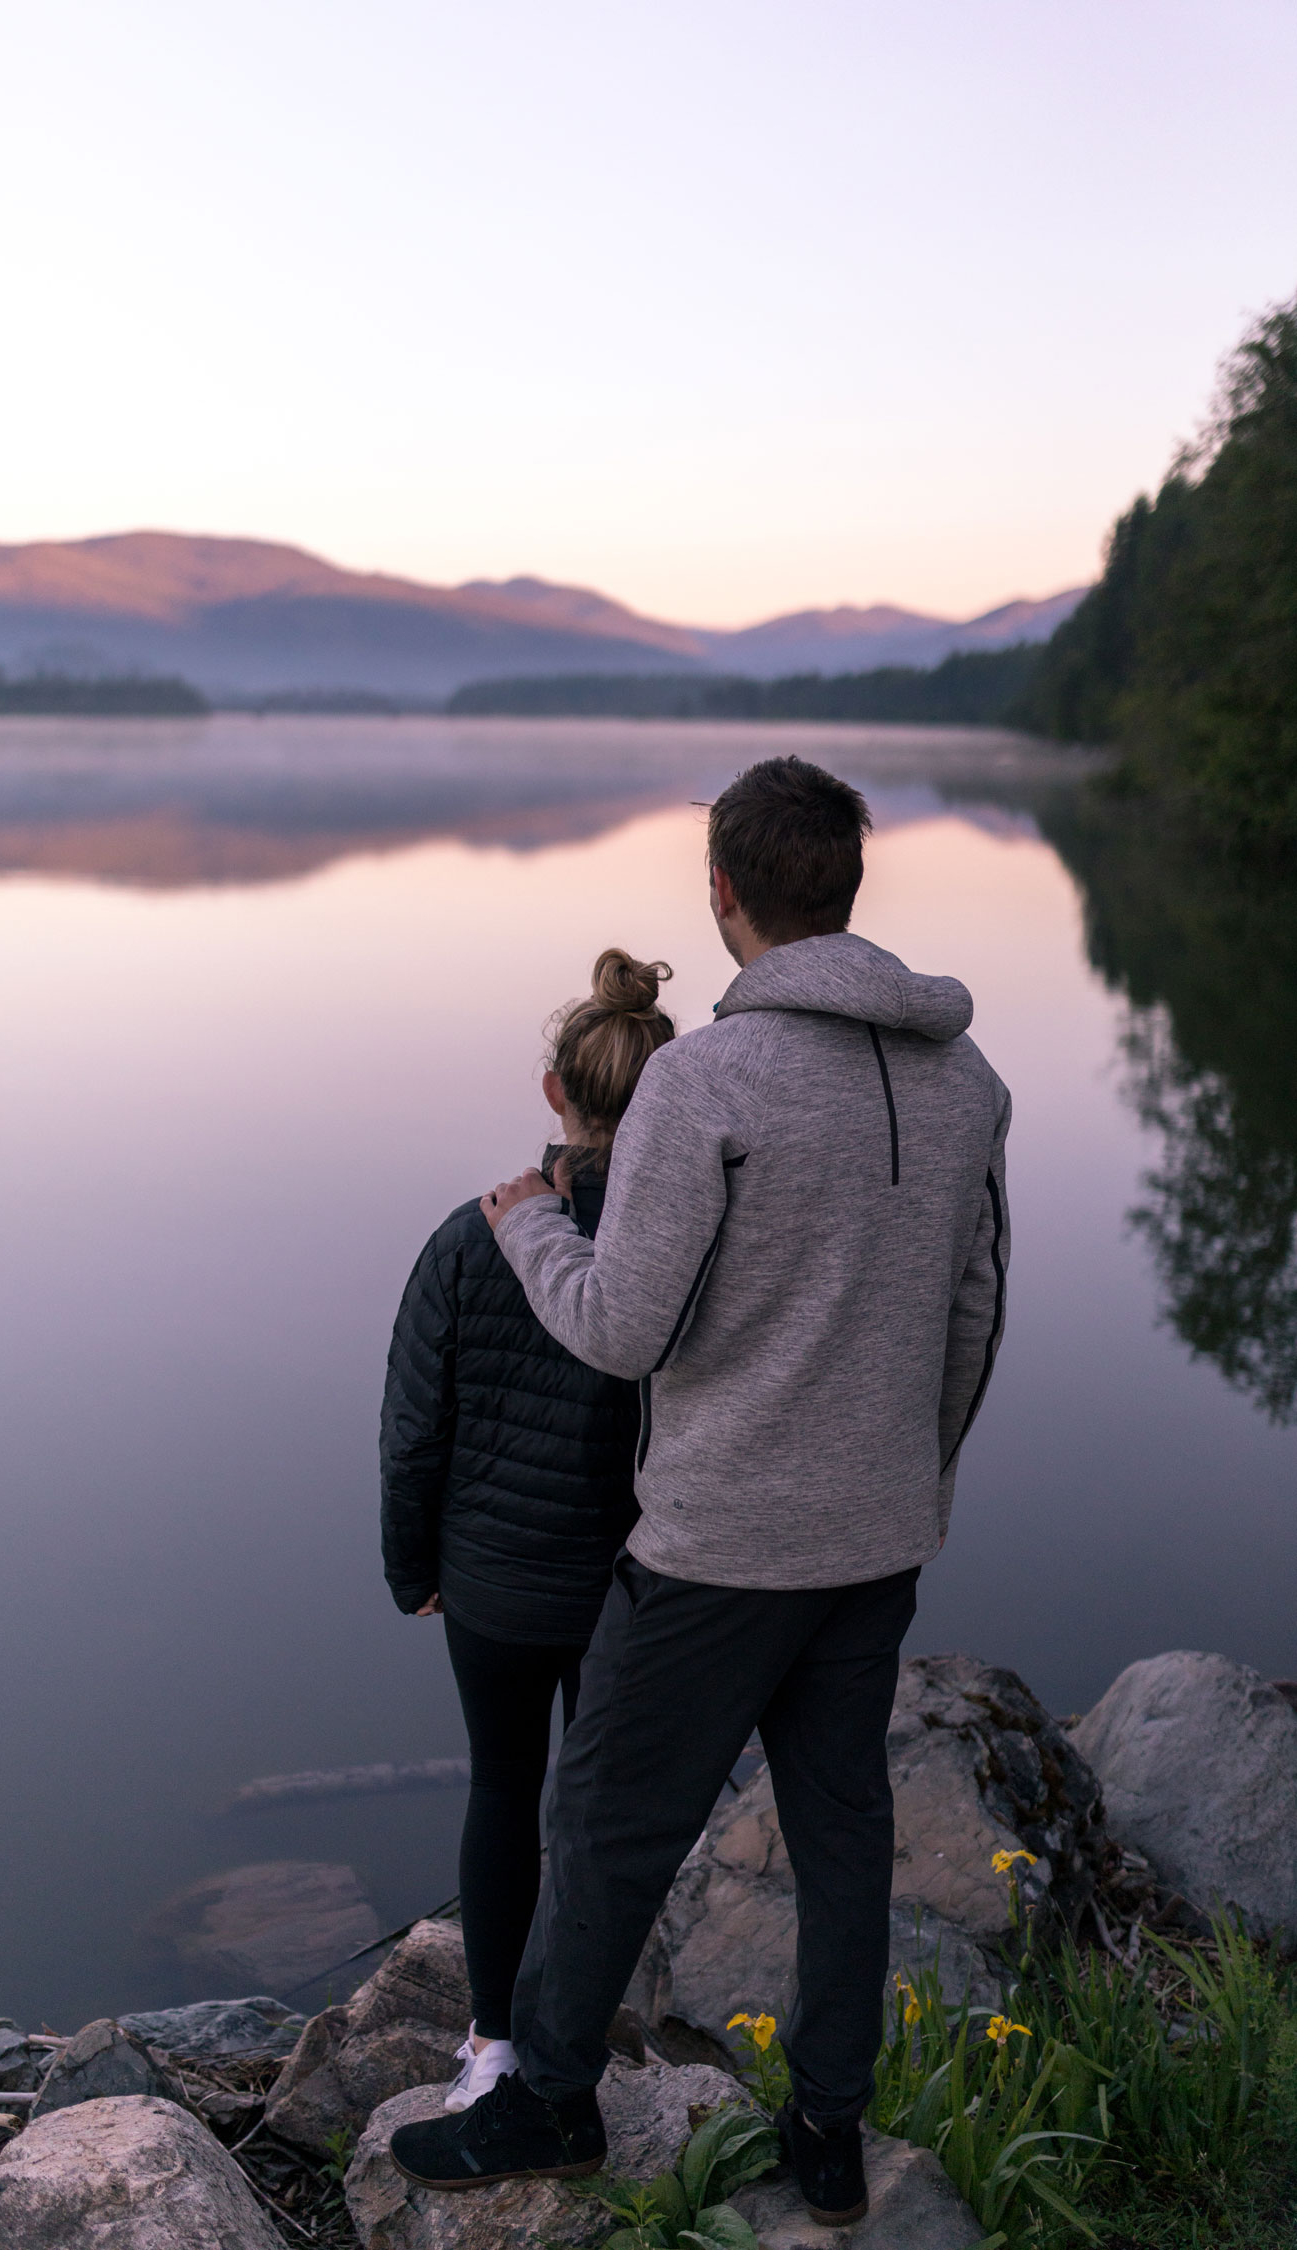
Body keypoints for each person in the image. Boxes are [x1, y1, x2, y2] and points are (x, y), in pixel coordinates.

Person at [389, 755, 1012, 2221]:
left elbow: (620, 1323)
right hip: (874, 1538)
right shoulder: (971, 1079)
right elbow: (974, 1316)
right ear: (850, 885)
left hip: (719, 1547)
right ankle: (829, 2136)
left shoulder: (705, 1078)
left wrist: (537, 1225)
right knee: (846, 1831)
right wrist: (911, 1482)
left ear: (723, 893)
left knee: (602, 1814)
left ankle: (545, 2104)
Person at [379, 948, 675, 2112]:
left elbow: (413, 1432)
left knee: (504, 1790)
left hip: (492, 1586)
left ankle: (493, 2043)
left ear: (556, 1091)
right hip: (633, 1590)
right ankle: (582, 2039)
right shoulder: (683, 1247)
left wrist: (416, 1570)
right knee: (599, 1817)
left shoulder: (469, 1238)